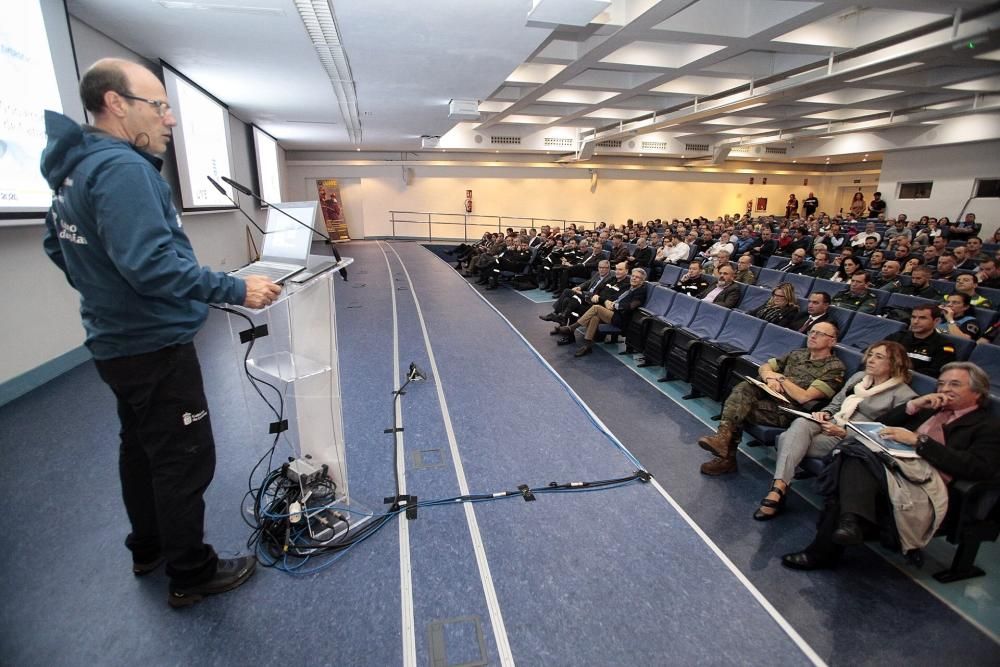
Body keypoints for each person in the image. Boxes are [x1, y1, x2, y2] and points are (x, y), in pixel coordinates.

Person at [40, 59, 275, 607]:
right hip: (153, 346)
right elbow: (150, 266)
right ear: (116, 104)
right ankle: (191, 572)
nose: (169, 118)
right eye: (158, 105)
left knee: (140, 450)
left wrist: (104, 293)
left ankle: (146, 548)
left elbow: (58, 247)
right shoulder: (122, 170)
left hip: (113, 343)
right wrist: (236, 290)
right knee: (183, 456)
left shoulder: (74, 167)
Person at [781, 363, 1000, 571]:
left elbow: (979, 468)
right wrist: (914, 405)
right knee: (855, 454)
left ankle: (838, 534)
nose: (944, 389)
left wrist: (920, 442)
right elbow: (882, 423)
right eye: (941, 384)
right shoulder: (932, 408)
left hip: (925, 482)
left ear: (978, 392)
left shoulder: (988, 426)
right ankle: (849, 524)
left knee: (853, 460)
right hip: (894, 468)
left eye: (954, 384)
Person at [755, 341, 916, 520]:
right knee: (801, 422)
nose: (870, 360)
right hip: (831, 421)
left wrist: (845, 433)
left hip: (851, 438)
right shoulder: (860, 377)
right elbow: (836, 404)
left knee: (786, 439)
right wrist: (824, 413)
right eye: (870, 355)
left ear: (895, 363)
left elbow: (886, 433)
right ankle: (779, 489)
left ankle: (777, 490)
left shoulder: (903, 396)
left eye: (878, 357)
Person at [697, 321, 846, 476]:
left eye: (820, 334)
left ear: (832, 341)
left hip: (790, 411)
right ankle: (722, 441)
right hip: (770, 397)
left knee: (738, 407)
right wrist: (770, 378)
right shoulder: (798, 354)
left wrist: (780, 378)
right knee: (743, 388)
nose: (813, 335)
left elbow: (804, 397)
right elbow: (764, 367)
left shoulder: (834, 368)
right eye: (812, 331)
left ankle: (726, 456)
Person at [558, 268, 648, 357]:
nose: (634, 278)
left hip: (621, 317)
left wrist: (614, 306)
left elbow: (632, 306)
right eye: (633, 276)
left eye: (637, 277)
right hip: (612, 312)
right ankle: (587, 346)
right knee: (594, 317)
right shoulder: (628, 288)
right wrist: (608, 302)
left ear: (642, 281)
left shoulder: (641, 291)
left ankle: (572, 327)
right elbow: (613, 297)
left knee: (596, 308)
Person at [886, 304, 957, 377]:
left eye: (922, 318)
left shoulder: (943, 346)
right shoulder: (898, 336)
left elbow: (935, 374)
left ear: (936, 321)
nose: (915, 322)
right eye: (913, 317)